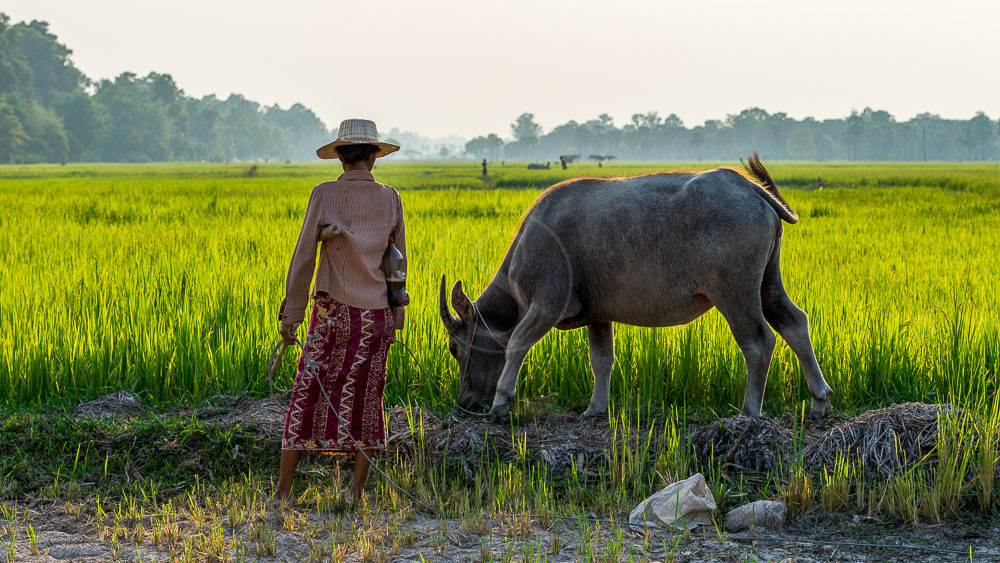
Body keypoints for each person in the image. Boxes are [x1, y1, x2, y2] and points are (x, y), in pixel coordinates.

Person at [274, 118, 406, 505]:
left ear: (341, 158)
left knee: (307, 394)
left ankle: (283, 493)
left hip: (333, 315)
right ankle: (354, 492)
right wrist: (397, 317)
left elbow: (303, 258)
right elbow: (397, 264)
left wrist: (292, 313)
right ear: (373, 158)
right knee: (368, 397)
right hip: (376, 316)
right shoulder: (392, 198)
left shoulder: (324, 194)